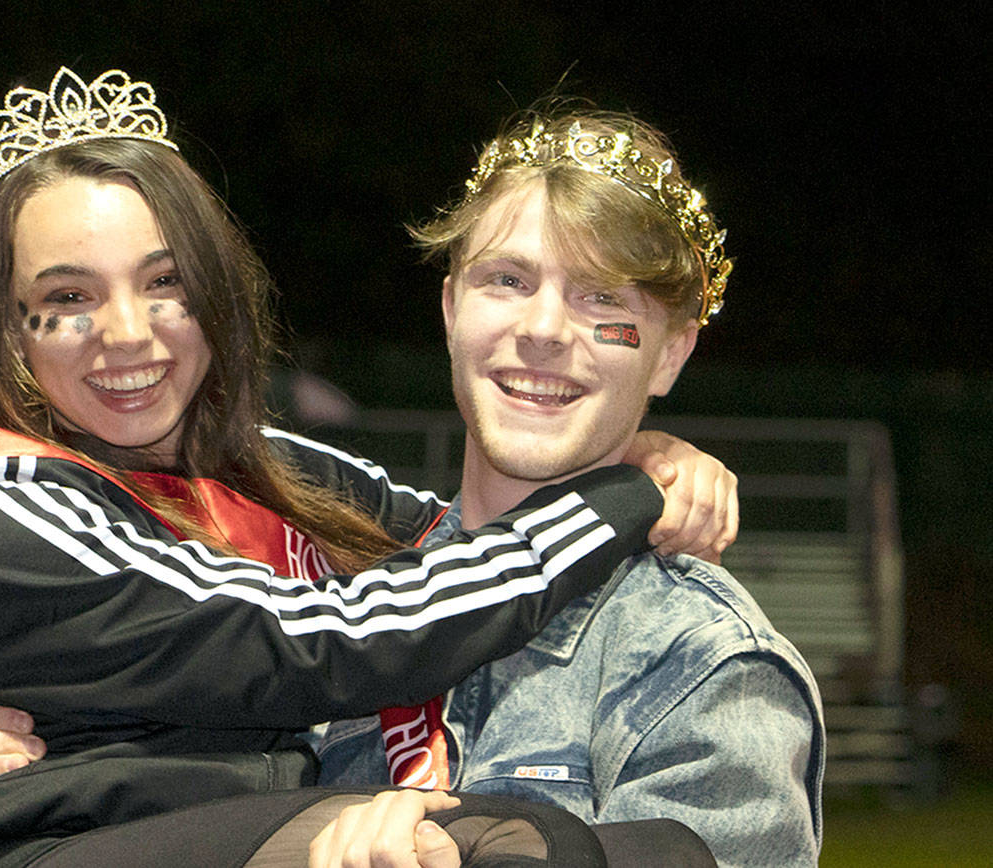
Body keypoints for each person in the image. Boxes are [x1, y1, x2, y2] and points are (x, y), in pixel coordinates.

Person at [0, 68, 735, 867]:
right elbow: (319, 639)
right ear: (7, 326)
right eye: (68, 299)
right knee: (493, 844)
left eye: (165, 282)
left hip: (221, 837)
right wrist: (626, 494)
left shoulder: (254, 467)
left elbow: (449, 536)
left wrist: (644, 452)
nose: (128, 333)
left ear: (217, 293)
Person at [309, 109, 824, 867]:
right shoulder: (323, 594)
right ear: (452, 310)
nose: (545, 327)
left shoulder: (703, 666)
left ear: (671, 356)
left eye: (602, 298)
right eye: (508, 280)